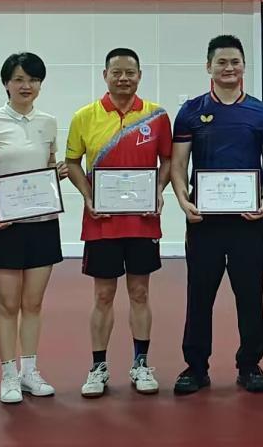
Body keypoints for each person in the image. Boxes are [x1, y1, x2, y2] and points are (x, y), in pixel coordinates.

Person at [171, 34, 263, 395]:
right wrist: (183, 200)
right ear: (209, 67)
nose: (228, 68)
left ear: (244, 66)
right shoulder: (191, 111)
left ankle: (250, 365)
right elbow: (178, 164)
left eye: (235, 62)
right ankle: (195, 367)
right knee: (199, 295)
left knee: (249, 295)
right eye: (221, 62)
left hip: (249, 221)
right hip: (204, 222)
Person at [65, 48, 172, 398]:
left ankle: (141, 364)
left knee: (140, 292)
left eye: (130, 72)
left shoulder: (157, 116)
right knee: (103, 294)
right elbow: (72, 162)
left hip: (143, 221)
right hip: (102, 221)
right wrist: (87, 195)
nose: (123, 78)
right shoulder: (84, 116)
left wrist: (158, 191)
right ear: (105, 75)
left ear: (139, 75)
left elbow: (168, 160)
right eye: (117, 72)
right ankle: (98, 367)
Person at [0, 52, 67, 404]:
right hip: (6, 224)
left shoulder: (48, 123)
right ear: (6, 83)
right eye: (20, 79)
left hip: (43, 224)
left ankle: (30, 371)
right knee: (8, 304)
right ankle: (8, 374)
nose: (27, 86)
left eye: (34, 80)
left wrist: (55, 176)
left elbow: (48, 165)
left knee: (33, 303)